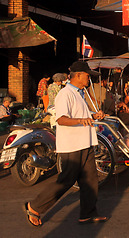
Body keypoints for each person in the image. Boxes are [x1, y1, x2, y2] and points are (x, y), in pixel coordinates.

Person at [24, 61, 107, 227]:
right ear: (78, 75)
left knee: (90, 179)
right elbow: (61, 119)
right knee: (66, 180)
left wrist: (93, 115)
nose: (88, 79)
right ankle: (34, 206)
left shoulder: (79, 93)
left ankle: (88, 213)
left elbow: (79, 113)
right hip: (72, 144)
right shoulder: (65, 94)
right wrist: (82, 120)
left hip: (85, 142)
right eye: (87, 75)